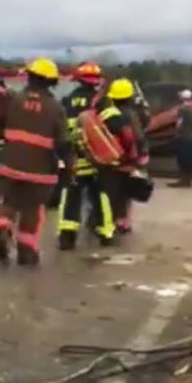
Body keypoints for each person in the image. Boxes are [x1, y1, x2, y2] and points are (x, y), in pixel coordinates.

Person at [0, 57, 72, 266]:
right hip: (40, 171)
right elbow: (64, 143)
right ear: (52, 82)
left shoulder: (14, 100)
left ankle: (3, 228)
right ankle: (26, 251)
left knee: (8, 202)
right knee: (32, 209)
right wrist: (68, 169)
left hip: (10, 165)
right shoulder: (56, 108)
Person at [57, 61, 114, 249]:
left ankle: (67, 235)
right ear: (96, 81)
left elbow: (61, 130)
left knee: (71, 195)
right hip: (97, 159)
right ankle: (106, 233)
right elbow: (113, 126)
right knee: (101, 195)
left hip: (74, 157)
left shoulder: (67, 100)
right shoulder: (102, 101)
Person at [103, 78, 148, 234]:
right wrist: (142, 156)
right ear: (129, 97)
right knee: (127, 190)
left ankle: (109, 220)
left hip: (108, 158)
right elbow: (139, 136)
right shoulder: (131, 115)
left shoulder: (106, 114)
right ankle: (124, 222)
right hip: (128, 158)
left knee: (110, 191)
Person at [170, 89, 192, 188]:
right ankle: (188, 180)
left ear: (182, 98)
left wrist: (176, 133)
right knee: (189, 159)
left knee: (182, 159)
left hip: (183, 137)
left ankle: (183, 180)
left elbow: (179, 123)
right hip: (191, 137)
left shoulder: (182, 109)